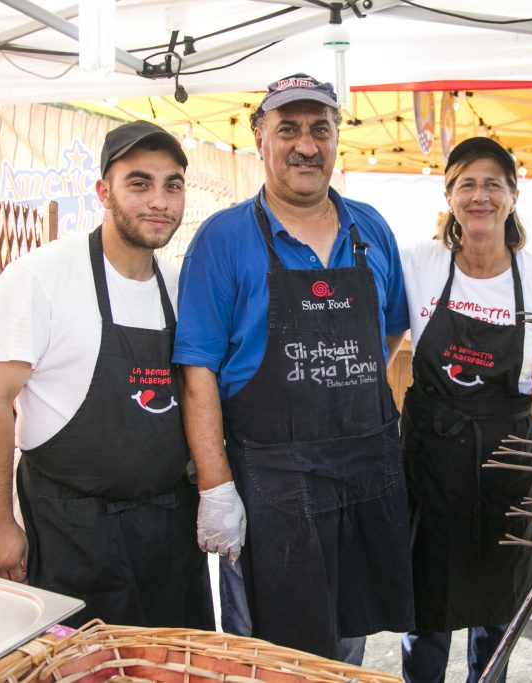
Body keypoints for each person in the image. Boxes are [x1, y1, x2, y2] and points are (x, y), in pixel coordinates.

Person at [174, 73, 413, 663]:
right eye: (288, 130)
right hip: (272, 487)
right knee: (268, 659)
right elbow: (196, 371)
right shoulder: (223, 239)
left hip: (359, 478)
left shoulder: (371, 228)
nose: (306, 145)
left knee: (343, 646)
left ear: (336, 140)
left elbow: (391, 332)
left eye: (320, 130)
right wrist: (216, 487)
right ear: (260, 139)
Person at [0, 121, 213, 629]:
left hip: (168, 530)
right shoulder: (41, 277)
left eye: (173, 185)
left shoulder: (178, 284)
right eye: (139, 183)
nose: (159, 201)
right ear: (104, 191)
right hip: (73, 532)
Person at [399, 136, 532, 683]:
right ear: (450, 195)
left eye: (492, 185)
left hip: (508, 459)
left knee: (498, 605)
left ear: (513, 195)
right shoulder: (417, 265)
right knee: (426, 602)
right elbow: (384, 346)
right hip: (431, 459)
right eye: (467, 184)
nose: (480, 196)